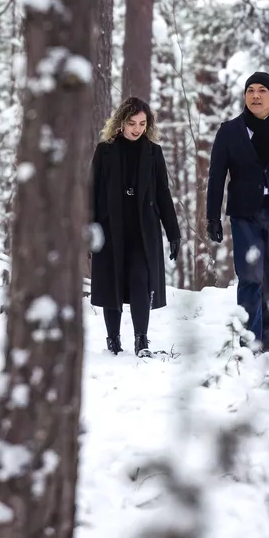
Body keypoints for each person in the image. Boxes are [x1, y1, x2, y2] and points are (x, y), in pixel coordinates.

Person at [205, 72, 269, 354]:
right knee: (250, 275)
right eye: (250, 90)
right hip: (244, 214)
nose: (255, 96)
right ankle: (250, 338)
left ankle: (267, 335)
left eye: (262, 90)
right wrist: (212, 216)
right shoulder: (230, 131)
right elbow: (216, 176)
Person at [89, 96, 182, 357]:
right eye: (132, 123)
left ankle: (141, 340)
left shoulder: (153, 152)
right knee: (112, 282)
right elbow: (91, 192)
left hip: (143, 231)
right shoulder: (104, 150)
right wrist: (88, 232)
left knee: (141, 280)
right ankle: (113, 340)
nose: (137, 129)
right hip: (110, 229)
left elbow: (163, 194)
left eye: (142, 123)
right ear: (121, 122)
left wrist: (173, 233)